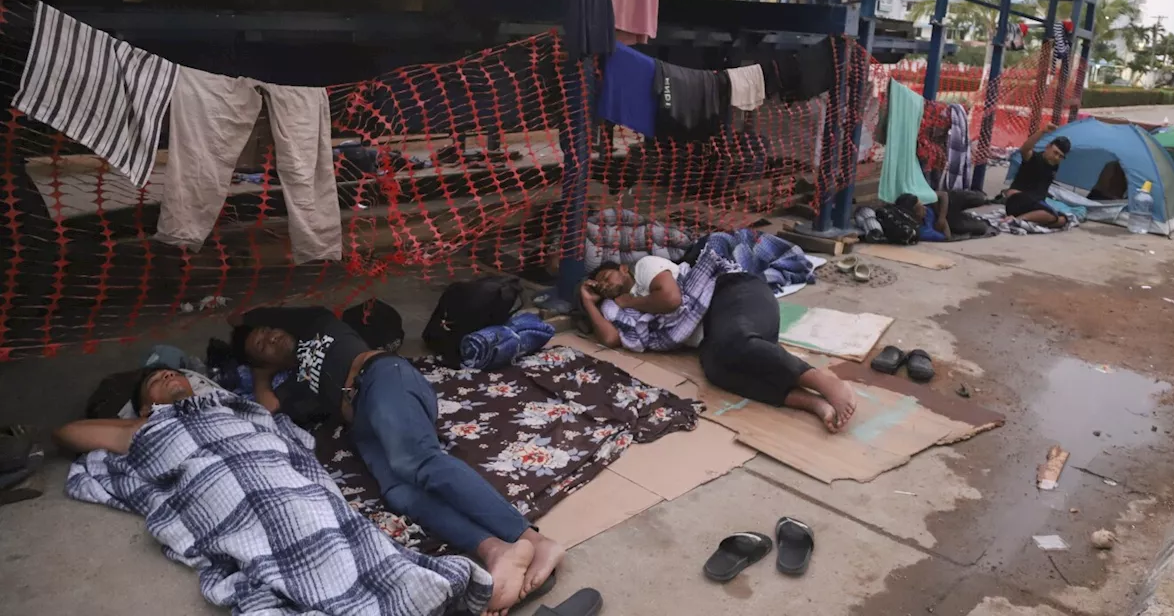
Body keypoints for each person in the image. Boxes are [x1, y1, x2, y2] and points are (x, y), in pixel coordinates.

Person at [55, 367, 498, 616]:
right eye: (156, 380)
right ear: (148, 403)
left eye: (174, 372)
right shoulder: (147, 428)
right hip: (224, 485)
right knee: (278, 535)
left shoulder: (230, 405)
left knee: (332, 520)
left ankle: (404, 591)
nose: (169, 375)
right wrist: (142, 420)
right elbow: (68, 432)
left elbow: (267, 410)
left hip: (278, 471)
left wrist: (261, 373)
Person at [228, 306, 562, 612]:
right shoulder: (297, 385)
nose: (270, 337)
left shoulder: (315, 322)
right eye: (263, 346)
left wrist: (248, 326)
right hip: (360, 419)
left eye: (269, 331)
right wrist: (261, 372)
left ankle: (533, 540)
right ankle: (496, 550)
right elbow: (267, 408)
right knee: (399, 493)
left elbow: (247, 314)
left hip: (382, 377)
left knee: (415, 462)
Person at [579, 256, 858, 433]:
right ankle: (809, 402)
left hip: (733, 292)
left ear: (623, 269)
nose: (604, 285)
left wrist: (628, 300)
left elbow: (672, 299)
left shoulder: (643, 269)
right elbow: (610, 338)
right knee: (716, 370)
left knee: (734, 340)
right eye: (599, 286)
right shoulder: (618, 311)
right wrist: (588, 300)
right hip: (713, 328)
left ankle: (826, 383)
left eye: (607, 277)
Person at [1005, 126, 1072, 228]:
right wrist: (1042, 131)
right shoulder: (1034, 158)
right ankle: (1017, 220)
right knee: (1052, 215)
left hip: (1035, 203)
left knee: (1063, 219)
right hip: (1019, 200)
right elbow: (1025, 149)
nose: (1056, 157)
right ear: (1048, 147)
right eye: (1055, 153)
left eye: (1060, 156)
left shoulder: (1054, 167)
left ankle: (1030, 219)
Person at [895, 189, 990, 242]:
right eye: (921, 208)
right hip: (948, 222)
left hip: (945, 204)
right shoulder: (923, 230)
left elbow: (943, 195)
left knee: (979, 199)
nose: (924, 208)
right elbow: (947, 236)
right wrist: (943, 221)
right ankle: (965, 217)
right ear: (915, 214)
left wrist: (941, 216)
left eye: (923, 205)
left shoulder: (917, 200)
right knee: (982, 228)